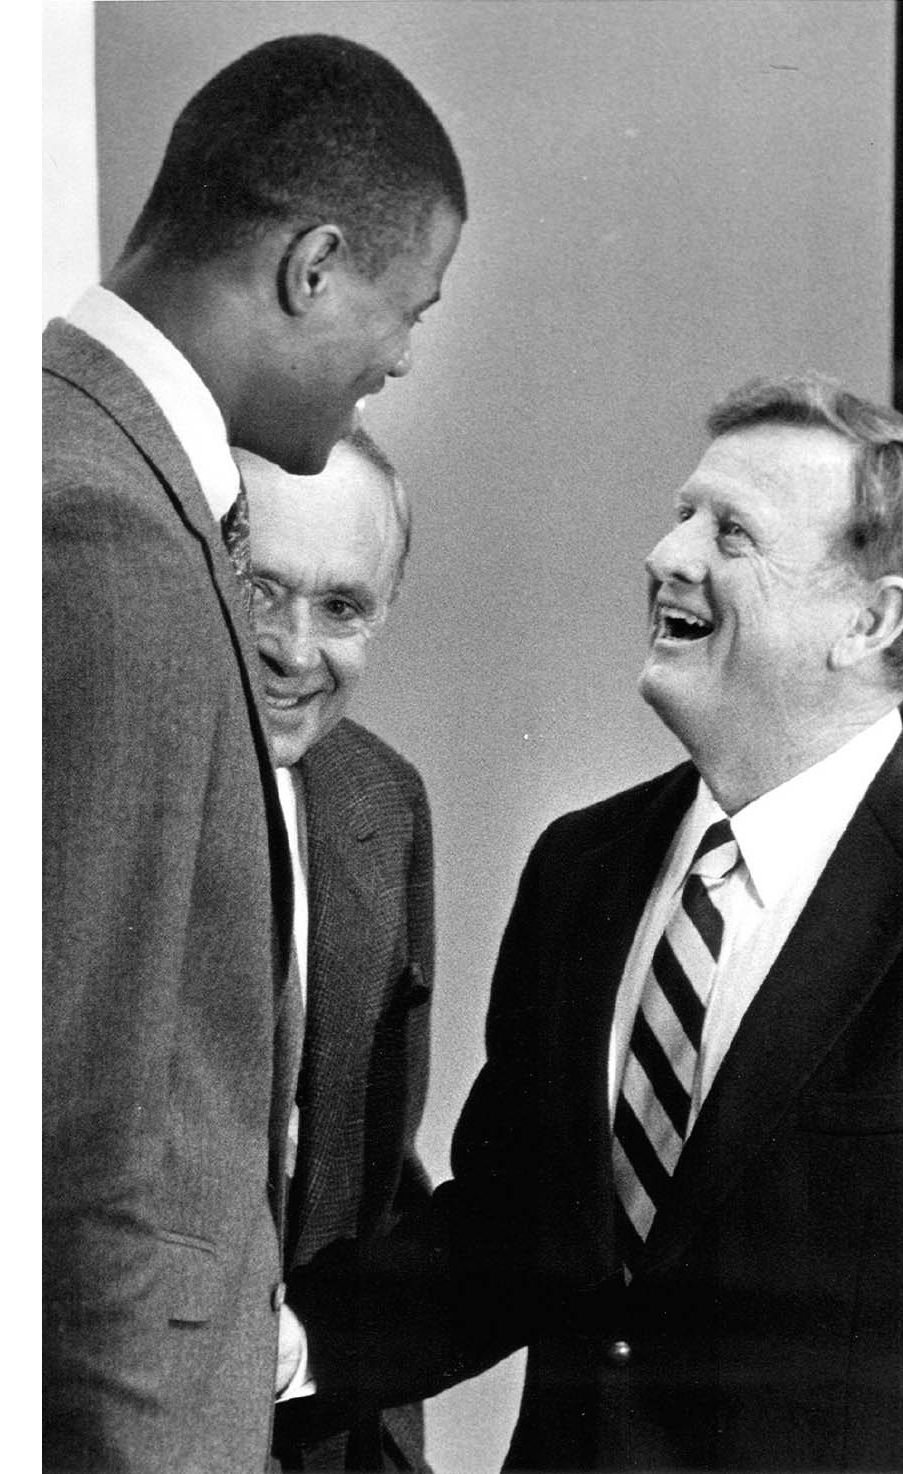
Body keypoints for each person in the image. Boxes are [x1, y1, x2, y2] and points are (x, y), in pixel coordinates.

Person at [283, 376, 903, 1472]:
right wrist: (284, 1346)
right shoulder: (583, 867)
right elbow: (511, 1234)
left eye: (729, 530)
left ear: (871, 619)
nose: (667, 553)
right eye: (682, 512)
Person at [43, 34, 464, 1473]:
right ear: (315, 264)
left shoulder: (95, 473)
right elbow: (84, 1146)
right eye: (408, 307)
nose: (402, 354)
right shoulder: (99, 526)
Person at [234, 434, 436, 1474]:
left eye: (342, 607)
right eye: (258, 590)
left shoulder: (381, 800)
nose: (293, 648)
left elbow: (378, 1186)